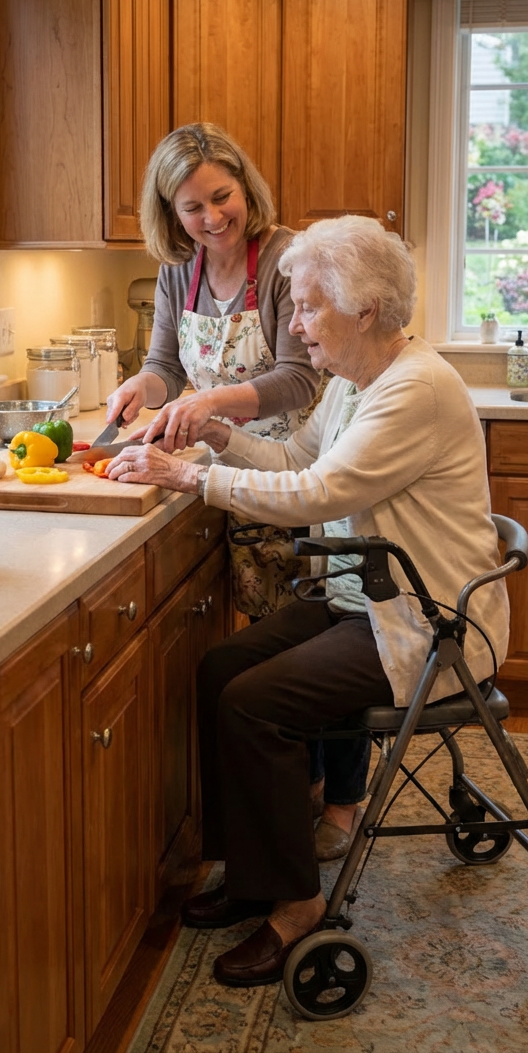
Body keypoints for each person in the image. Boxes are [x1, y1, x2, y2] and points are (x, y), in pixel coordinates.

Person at [104, 214, 511, 987]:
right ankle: (253, 872)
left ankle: (295, 906)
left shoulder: (414, 389)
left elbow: (319, 490)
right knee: (222, 668)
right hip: (366, 596)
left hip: (424, 621)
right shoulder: (355, 385)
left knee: (256, 703)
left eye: (307, 306)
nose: (293, 324)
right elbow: (295, 455)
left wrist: (190, 477)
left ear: (365, 310)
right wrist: (216, 436)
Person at [106, 122, 368, 857]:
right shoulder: (177, 272)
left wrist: (211, 406)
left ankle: (342, 799)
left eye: (221, 197)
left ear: (244, 188)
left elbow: (299, 377)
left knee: (327, 627)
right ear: (170, 213)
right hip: (228, 465)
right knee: (266, 639)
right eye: (191, 207)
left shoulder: (287, 260)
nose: (211, 217)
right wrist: (144, 386)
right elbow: (165, 364)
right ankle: (298, 791)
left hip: (302, 466)